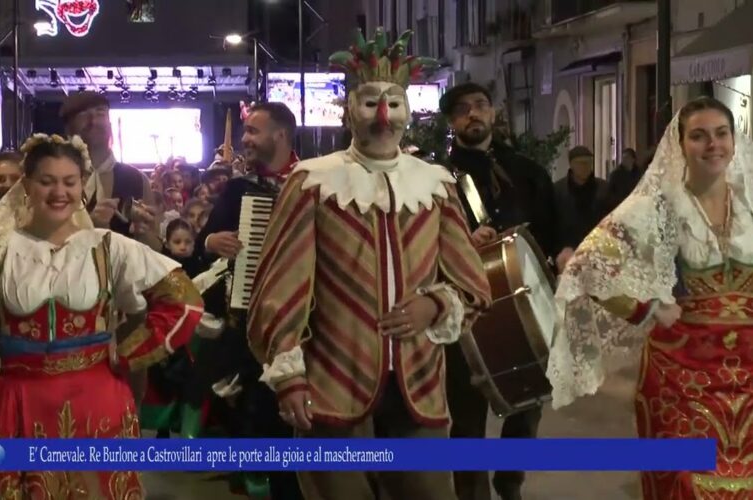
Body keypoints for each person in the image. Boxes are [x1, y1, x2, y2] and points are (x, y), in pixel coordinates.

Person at [248, 28, 491, 500]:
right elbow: (281, 285)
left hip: (419, 377)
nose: (384, 116)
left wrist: (436, 306)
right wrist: (288, 373)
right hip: (331, 378)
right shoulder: (314, 182)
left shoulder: (435, 185)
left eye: (394, 103)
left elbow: (472, 283)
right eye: (370, 103)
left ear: (408, 110)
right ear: (347, 111)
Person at [0, 133, 204, 497]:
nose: (59, 192)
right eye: (46, 181)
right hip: (16, 401)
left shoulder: (110, 247)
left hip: (98, 401)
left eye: (69, 182)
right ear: (27, 186)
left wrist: (130, 354)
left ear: (83, 187)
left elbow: (182, 301)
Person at [548, 97, 753, 499]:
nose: (713, 144)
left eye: (721, 133)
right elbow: (583, 271)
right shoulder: (656, 208)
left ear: (734, 139)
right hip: (682, 373)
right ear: (679, 144)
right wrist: (648, 309)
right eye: (698, 136)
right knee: (689, 484)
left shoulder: (749, 201)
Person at [438, 81, 563, 500]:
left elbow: (556, 231)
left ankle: (510, 485)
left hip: (525, 303)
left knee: (530, 400)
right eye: (462, 110)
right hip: (463, 308)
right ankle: (471, 494)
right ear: (452, 122)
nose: (473, 114)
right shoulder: (438, 179)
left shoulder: (528, 172)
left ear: (493, 113)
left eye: (480, 106)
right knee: (467, 416)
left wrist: (562, 257)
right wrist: (461, 243)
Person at [192, 101, 302, 500]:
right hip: (253, 322)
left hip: (305, 324)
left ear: (281, 135)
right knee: (259, 416)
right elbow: (204, 242)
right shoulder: (240, 190)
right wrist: (210, 241)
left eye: (254, 131)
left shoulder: (313, 183)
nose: (245, 140)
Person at [60, 91, 159, 250]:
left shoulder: (136, 179)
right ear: (68, 129)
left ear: (110, 125)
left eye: (100, 112)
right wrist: (89, 227)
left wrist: (144, 233)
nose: (93, 120)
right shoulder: (57, 177)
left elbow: (157, 249)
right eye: (84, 113)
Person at [553, 145, 612, 251]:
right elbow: (552, 224)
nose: (585, 167)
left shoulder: (604, 189)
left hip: (597, 250)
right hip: (568, 252)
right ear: (571, 164)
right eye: (580, 163)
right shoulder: (558, 191)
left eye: (588, 163)